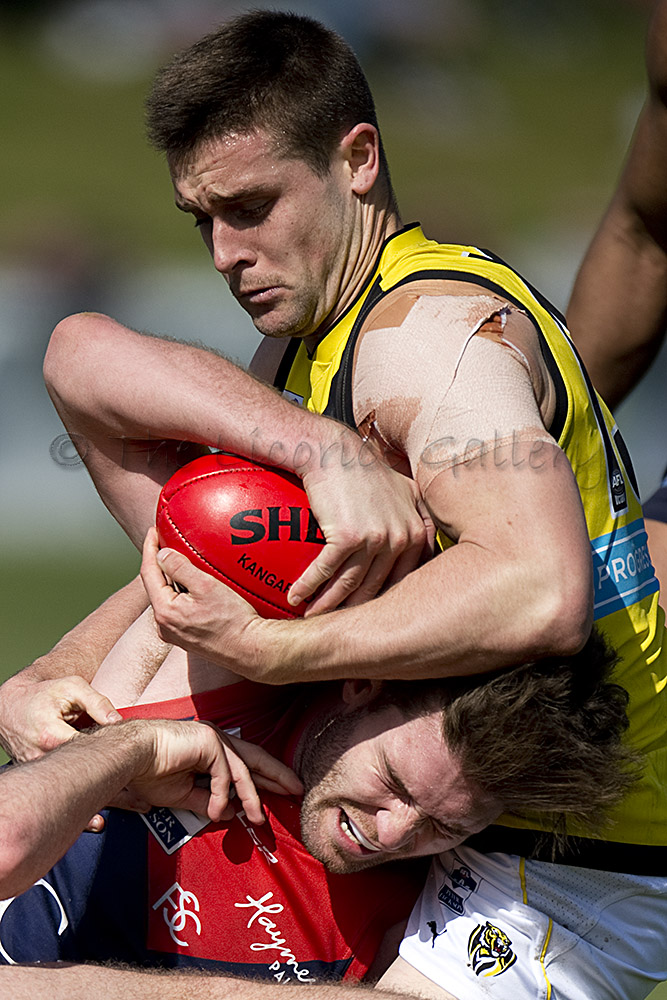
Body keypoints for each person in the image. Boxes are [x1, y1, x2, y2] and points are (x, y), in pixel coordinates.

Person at [2, 9, 666, 998]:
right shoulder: (313, 338)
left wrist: (277, 650)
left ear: (356, 160)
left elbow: (540, 593)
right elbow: (88, 371)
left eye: (251, 206)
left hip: (576, 850)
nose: (225, 251)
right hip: (435, 772)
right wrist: (59, 665)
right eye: (202, 220)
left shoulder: (428, 337)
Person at [0, 621, 635, 991]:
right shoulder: (210, 680)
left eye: (445, 825)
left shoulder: (411, 927)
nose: (393, 834)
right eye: (394, 782)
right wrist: (129, 741)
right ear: (362, 683)